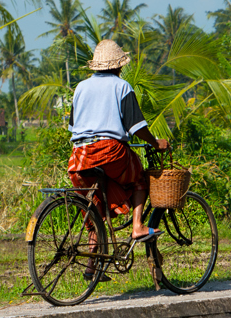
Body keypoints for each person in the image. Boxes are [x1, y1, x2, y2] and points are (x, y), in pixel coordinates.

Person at [67, 39, 169, 247]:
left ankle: (92, 262)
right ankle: (138, 226)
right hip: (110, 152)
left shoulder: (81, 88)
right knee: (140, 177)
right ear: (119, 65)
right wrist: (155, 143)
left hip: (79, 155)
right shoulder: (122, 86)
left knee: (94, 203)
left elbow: (73, 127)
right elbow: (136, 128)